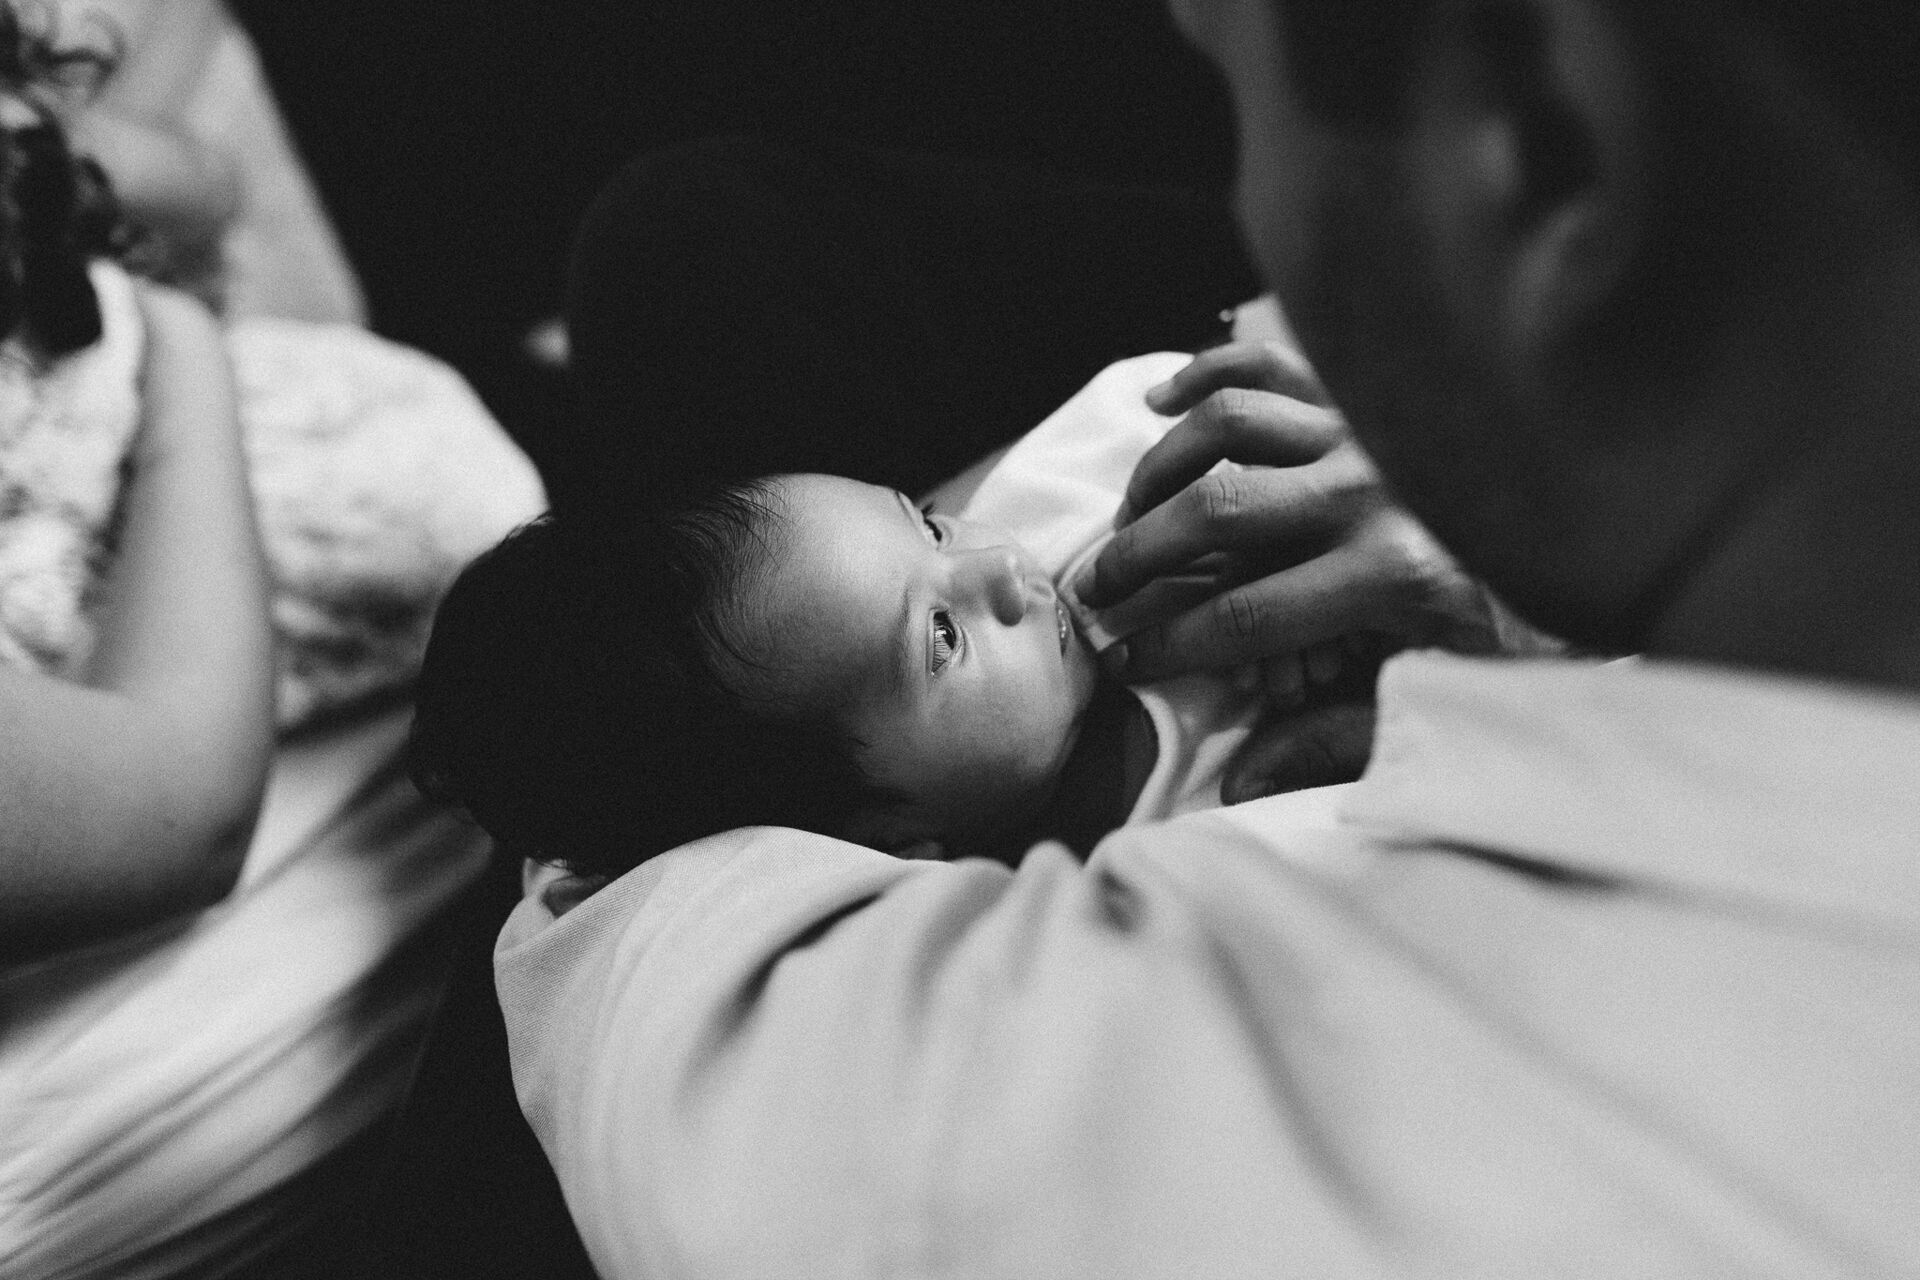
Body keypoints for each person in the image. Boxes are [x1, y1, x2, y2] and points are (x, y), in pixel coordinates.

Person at [489, 0, 1920, 1275]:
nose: (994, 559)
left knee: (699, 252)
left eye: (1232, 93)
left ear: (1546, 146)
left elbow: (598, 878)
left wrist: (1523, 541)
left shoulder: (1000, 1100)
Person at [414, 348, 1391, 883]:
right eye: (943, 639)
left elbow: (1258, 419)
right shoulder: (1144, 875)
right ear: (890, 840)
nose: (1002, 566)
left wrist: (1300, 540)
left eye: (927, 523)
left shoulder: (1105, 504)